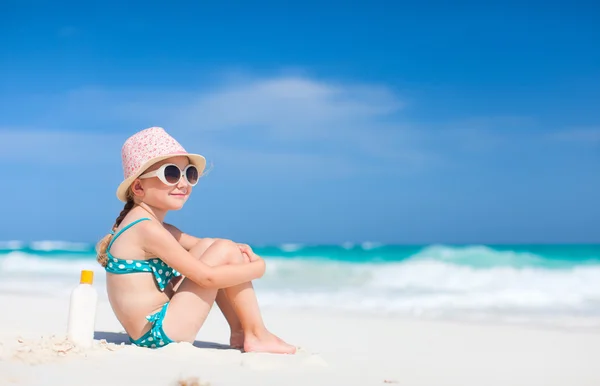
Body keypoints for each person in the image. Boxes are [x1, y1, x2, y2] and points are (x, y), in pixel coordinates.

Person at [95, 126, 295, 354]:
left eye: (189, 174)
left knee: (215, 247)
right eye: (171, 174)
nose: (183, 183)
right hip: (157, 334)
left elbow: (205, 246)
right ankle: (257, 334)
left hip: (154, 329)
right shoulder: (146, 229)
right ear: (139, 186)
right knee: (225, 250)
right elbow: (206, 277)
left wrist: (237, 253)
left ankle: (241, 332)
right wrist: (258, 268)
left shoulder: (151, 226)